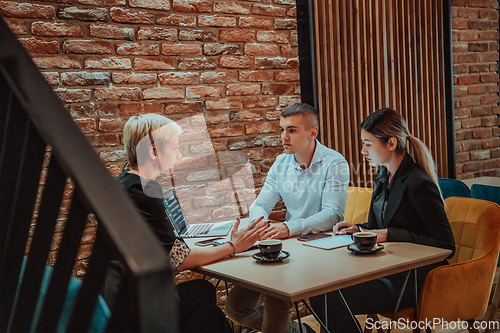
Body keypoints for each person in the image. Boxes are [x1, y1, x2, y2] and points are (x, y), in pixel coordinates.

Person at [103, 113, 270, 333]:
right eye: (174, 148)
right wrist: (234, 247)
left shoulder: (123, 182)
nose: (179, 155)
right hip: (137, 313)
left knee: (203, 289)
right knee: (211, 316)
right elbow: (179, 261)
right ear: (154, 152)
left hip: (118, 300)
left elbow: (164, 248)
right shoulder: (145, 192)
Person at [309, 108, 455, 333]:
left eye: (368, 144)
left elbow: (446, 244)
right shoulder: (383, 174)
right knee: (321, 292)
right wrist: (357, 228)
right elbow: (378, 226)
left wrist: (389, 234)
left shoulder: (418, 183)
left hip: (416, 278)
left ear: (391, 143)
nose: (362, 150)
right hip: (387, 268)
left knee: (326, 297)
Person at [225, 103, 350, 333]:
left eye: (292, 130)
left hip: (319, 249)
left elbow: (333, 215)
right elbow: (261, 204)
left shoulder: (335, 163)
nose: (284, 137)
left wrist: (288, 228)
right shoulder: (281, 162)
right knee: (236, 308)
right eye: (282, 129)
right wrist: (258, 223)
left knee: (275, 305)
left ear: (313, 132)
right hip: (287, 245)